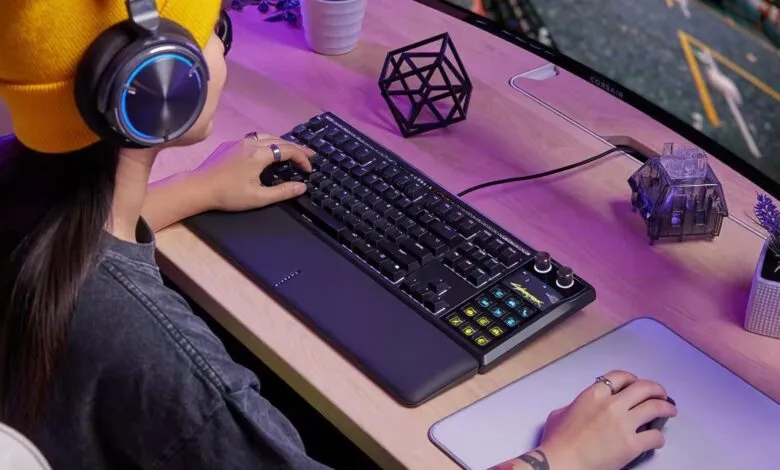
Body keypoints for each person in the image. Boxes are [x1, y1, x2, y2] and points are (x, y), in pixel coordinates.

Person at [0, 1, 677, 469]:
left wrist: (194, 192)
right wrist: (559, 457)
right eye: (218, 29)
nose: (223, 47)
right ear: (160, 86)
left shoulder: (20, 186)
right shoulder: (163, 364)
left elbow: (75, 246)